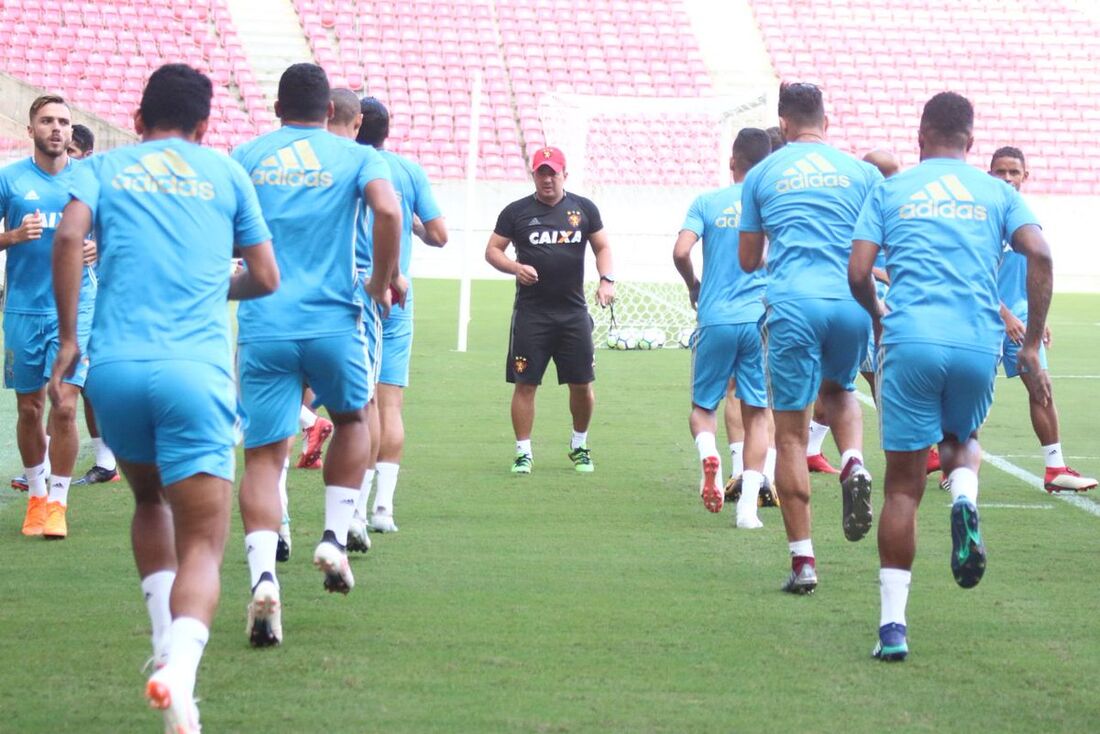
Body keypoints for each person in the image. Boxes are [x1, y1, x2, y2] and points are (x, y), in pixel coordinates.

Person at [49, 63, 279, 731]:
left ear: (140, 119)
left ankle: (160, 648)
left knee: (149, 500)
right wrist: (213, 282)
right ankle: (181, 669)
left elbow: (68, 237)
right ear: (206, 126)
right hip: (194, 372)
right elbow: (265, 274)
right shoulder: (226, 171)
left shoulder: (105, 168)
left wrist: (70, 339)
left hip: (114, 369)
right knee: (205, 540)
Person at [849, 91, 1053, 661]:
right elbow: (1041, 254)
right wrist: (1032, 344)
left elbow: (860, 269)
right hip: (975, 340)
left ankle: (893, 628)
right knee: (963, 443)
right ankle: (964, 495)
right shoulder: (998, 191)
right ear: (971, 139)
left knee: (903, 487)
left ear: (919, 137)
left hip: (910, 338)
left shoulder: (889, 189)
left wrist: (877, 314)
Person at [231, 63, 401, 647]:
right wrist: (382, 280)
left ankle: (262, 576)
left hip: (263, 322)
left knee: (261, 455)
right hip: (334, 320)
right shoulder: (356, 156)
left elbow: (225, 229)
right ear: (330, 112)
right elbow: (387, 212)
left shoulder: (246, 154)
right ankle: (331, 537)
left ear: (275, 107)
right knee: (354, 418)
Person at [739, 82, 882, 594]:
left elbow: (749, 260)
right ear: (827, 120)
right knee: (841, 391)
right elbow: (877, 247)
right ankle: (853, 461)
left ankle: (803, 563)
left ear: (782, 123)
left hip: (794, 305)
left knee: (792, 435)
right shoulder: (863, 173)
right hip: (850, 301)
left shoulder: (762, 174)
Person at [345, 96, 447, 546]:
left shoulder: (346, 165)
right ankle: (383, 507)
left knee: (360, 408)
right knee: (390, 406)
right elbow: (440, 235)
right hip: (398, 297)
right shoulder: (407, 171)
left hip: (354, 296)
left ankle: (354, 513)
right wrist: (413, 230)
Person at [0, 94, 97, 539]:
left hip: (76, 309)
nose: (56, 128)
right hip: (23, 306)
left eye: (63, 121)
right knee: (28, 408)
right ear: (31, 129)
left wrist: (103, 248)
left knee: (64, 405)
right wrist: (13, 236)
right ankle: (36, 495)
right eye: (47, 121)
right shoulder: (11, 179)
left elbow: (119, 232)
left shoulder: (91, 179)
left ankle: (58, 502)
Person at [485, 146, 615, 474]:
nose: (547, 179)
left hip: (573, 313)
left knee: (582, 383)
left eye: (552, 173)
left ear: (564, 175)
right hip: (532, 315)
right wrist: (515, 268)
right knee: (525, 383)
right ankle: (523, 453)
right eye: (541, 172)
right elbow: (492, 251)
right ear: (533, 175)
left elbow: (602, 246)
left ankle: (580, 444)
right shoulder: (516, 212)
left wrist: (606, 280)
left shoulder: (584, 209)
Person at [673, 128, 775, 528]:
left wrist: (693, 284)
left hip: (715, 317)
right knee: (757, 414)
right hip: (759, 319)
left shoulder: (708, 202)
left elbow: (681, 251)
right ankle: (748, 509)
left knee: (703, 409)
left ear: (732, 162)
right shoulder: (772, 205)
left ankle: (708, 457)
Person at [988, 146, 1095, 493]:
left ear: (1025, 176)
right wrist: (1004, 315)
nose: (1007, 178)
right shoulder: (983, 217)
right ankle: (954, 466)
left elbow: (1032, 271)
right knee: (969, 394)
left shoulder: (1025, 216)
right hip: (984, 317)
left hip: (1020, 321)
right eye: (1000, 171)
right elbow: (975, 274)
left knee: (1041, 386)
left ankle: (1054, 468)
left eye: (1013, 172)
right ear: (989, 174)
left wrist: (1037, 318)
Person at [64, 123, 123, 486]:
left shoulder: (99, 188)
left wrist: (102, 244)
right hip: (53, 296)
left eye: (71, 149)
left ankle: (105, 459)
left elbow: (126, 229)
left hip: (97, 295)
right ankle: (103, 461)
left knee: (81, 379)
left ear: (85, 154)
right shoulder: (52, 185)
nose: (64, 155)